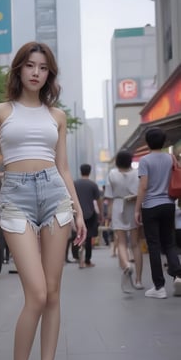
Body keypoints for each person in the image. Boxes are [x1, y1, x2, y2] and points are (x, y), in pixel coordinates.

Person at [0, 41, 86, 360]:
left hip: (54, 195)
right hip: (14, 197)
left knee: (54, 292)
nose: (36, 73)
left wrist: (77, 209)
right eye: (29, 65)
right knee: (38, 293)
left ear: (50, 74)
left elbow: (62, 167)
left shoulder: (56, 116)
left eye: (43, 68)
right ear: (18, 70)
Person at [135, 127, 181, 298]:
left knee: (154, 245)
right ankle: (178, 275)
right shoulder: (171, 158)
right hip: (169, 204)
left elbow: (143, 186)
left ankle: (159, 287)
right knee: (169, 243)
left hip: (150, 206)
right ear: (164, 142)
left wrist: (137, 209)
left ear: (147, 142)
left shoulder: (145, 161)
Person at [104, 150, 143, 292]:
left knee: (121, 242)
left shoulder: (112, 174)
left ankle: (126, 264)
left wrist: (108, 215)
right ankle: (138, 280)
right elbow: (142, 191)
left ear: (117, 161)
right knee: (135, 244)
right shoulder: (137, 173)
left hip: (118, 206)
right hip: (133, 207)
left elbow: (108, 196)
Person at [74, 164, 103, 268]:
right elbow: (99, 200)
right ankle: (87, 260)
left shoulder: (75, 184)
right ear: (89, 171)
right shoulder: (93, 185)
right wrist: (100, 214)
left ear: (80, 171)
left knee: (79, 236)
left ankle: (80, 260)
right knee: (89, 237)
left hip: (77, 214)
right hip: (90, 214)